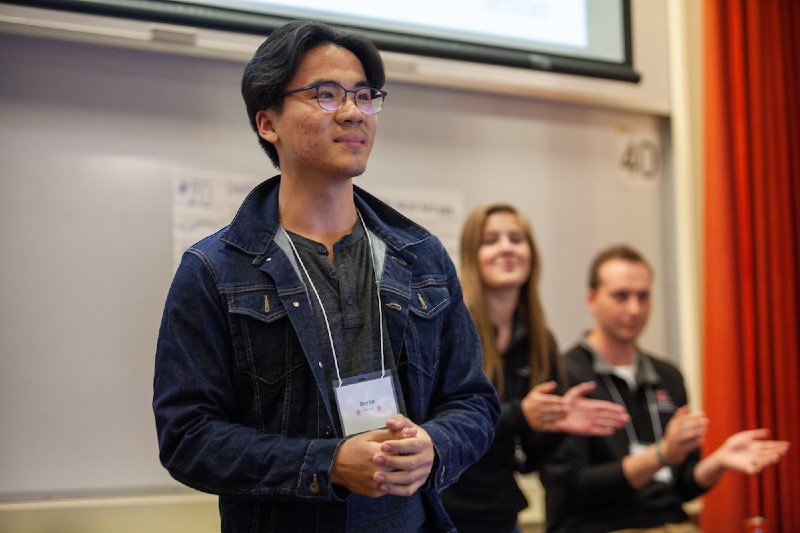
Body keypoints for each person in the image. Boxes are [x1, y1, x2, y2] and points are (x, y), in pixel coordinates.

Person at [152, 20, 500, 533]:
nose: (353, 111)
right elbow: (187, 436)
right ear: (268, 123)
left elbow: (473, 402)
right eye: (327, 94)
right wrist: (328, 464)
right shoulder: (213, 270)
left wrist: (434, 446)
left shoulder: (421, 257)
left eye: (363, 95)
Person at [540, 244, 790, 533]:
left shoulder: (667, 376)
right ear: (592, 299)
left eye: (643, 297)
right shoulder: (564, 375)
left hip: (669, 523)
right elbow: (573, 487)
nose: (634, 309)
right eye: (621, 296)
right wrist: (660, 455)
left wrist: (718, 462)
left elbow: (682, 484)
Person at [442, 203, 629, 533]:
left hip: (501, 516)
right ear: (473, 255)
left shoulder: (539, 340)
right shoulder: (448, 326)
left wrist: (558, 425)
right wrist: (520, 414)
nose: (506, 248)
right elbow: (444, 428)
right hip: (443, 515)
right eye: (491, 240)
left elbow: (528, 459)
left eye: (516, 238)